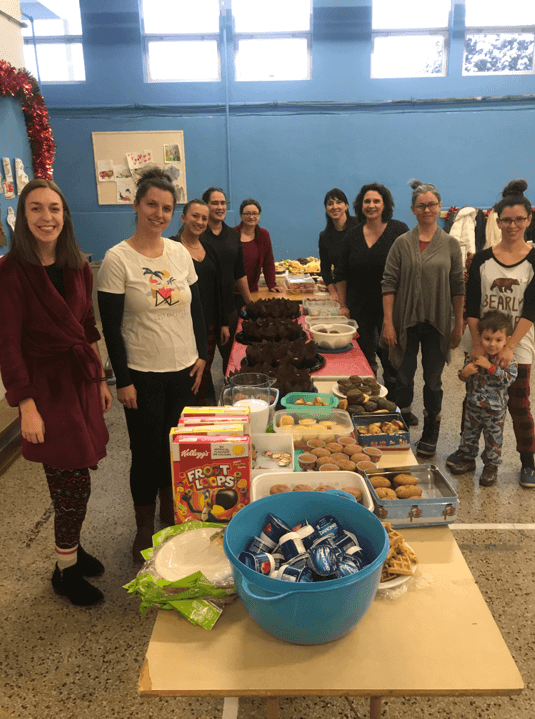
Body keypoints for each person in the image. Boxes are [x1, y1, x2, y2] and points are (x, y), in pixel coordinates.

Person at [0, 179, 112, 606]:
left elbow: (85, 325)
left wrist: (100, 378)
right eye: (35, 209)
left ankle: (73, 549)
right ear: (22, 217)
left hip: (80, 383)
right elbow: (8, 346)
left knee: (77, 476)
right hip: (45, 391)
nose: (46, 217)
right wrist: (26, 407)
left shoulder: (77, 265)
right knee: (71, 486)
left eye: (54, 208)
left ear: (65, 215)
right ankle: (64, 570)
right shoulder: (10, 272)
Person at [97, 169, 207, 562]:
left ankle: (171, 510)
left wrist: (201, 355)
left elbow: (195, 311)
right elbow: (110, 327)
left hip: (182, 371)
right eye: (152, 205)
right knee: (146, 452)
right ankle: (144, 525)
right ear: (137, 205)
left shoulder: (178, 252)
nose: (159, 214)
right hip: (141, 375)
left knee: (176, 447)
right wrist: (121, 380)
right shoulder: (117, 259)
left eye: (166, 207)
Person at [448, 179, 535, 488]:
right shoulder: (483, 259)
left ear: (528, 220)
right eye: (506, 220)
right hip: (481, 341)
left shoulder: (533, 259)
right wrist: (478, 346)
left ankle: (528, 461)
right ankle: (467, 452)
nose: (512, 225)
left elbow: (531, 309)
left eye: (518, 220)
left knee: (518, 403)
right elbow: (472, 306)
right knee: (473, 398)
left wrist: (509, 345)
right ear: (498, 221)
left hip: (518, 344)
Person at [381, 179, 465, 457]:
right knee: (403, 377)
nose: (427, 209)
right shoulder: (401, 243)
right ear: (413, 209)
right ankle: (402, 423)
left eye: (432, 204)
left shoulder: (451, 245)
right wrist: (388, 322)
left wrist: (459, 322)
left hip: (437, 323)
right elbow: (389, 283)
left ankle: (431, 431)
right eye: (421, 205)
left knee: (433, 381)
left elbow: (457, 287)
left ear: (439, 207)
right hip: (405, 323)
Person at [336, 183, 409, 395]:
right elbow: (341, 273)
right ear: (361, 205)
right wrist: (343, 306)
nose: (371, 205)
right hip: (359, 307)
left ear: (385, 204)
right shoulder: (352, 235)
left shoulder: (399, 230)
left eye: (376, 201)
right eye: (367, 201)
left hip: (392, 309)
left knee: (393, 360)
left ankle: (397, 405)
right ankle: (370, 404)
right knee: (365, 359)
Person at [447, 311, 517, 486]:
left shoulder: (508, 361)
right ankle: (467, 459)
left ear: (507, 340)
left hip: (495, 411)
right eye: (487, 339)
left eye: (498, 340)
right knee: (469, 435)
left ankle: (491, 467)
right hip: (473, 406)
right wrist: (464, 373)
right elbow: (463, 376)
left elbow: (508, 380)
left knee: (493, 439)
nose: (492, 344)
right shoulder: (475, 355)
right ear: (480, 338)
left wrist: (490, 367)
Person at [170, 199, 230, 404]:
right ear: (183, 217)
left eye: (204, 218)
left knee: (204, 367)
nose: (200, 221)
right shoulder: (170, 248)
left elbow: (218, 289)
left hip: (209, 324)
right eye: (195, 216)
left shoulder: (210, 249)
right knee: (190, 370)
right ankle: (198, 407)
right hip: (182, 324)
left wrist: (223, 323)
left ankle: (203, 406)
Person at [201, 187, 252, 372]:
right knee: (202, 363)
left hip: (228, 309)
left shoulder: (232, 235)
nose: (220, 207)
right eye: (215, 203)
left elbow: (240, 272)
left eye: (223, 203)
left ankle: (229, 393)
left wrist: (250, 303)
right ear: (205, 206)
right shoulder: (197, 235)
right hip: (202, 311)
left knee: (231, 361)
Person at [233, 198, 283, 298]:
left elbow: (268, 262)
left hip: (253, 291)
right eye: (247, 213)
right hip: (232, 291)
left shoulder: (263, 235)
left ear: (259, 215)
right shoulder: (231, 234)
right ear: (241, 216)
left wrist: (272, 284)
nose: (251, 217)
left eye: (255, 213)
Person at [318, 189, 358, 302]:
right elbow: (325, 269)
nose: (334, 207)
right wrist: (333, 292)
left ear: (346, 206)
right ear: (326, 208)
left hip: (364, 287)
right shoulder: (325, 236)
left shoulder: (360, 226)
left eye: (339, 202)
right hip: (342, 288)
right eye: (330, 203)